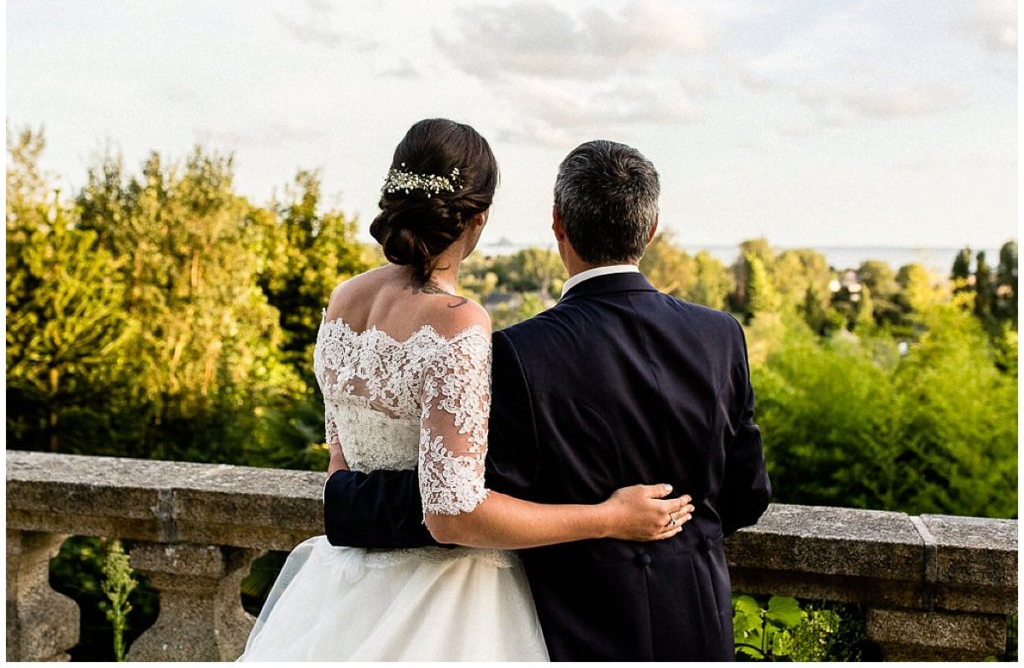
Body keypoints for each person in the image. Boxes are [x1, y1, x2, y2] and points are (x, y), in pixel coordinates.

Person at [236, 119, 695, 662]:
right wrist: (610, 517)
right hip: (445, 601)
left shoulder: (344, 302)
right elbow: (453, 514)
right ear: (478, 219)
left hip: (345, 586)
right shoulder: (457, 322)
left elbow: (342, 464)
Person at [322, 139, 772, 661]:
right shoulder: (721, 335)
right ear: (651, 229)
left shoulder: (520, 352)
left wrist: (345, 500)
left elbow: (471, 503)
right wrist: (670, 534)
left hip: (573, 628)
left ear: (557, 222)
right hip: (698, 621)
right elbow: (747, 494)